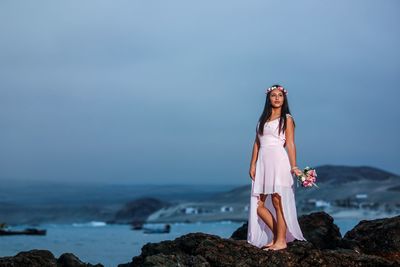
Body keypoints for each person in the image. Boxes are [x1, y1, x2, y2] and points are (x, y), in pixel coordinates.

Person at [247, 84, 307, 251]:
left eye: (280, 95)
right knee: (259, 205)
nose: (277, 98)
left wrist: (294, 165)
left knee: (277, 201)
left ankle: (280, 241)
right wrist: (252, 164)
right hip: (263, 163)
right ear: (269, 98)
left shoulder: (287, 119)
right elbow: (257, 143)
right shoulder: (262, 120)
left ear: (284, 98)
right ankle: (279, 236)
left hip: (278, 160)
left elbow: (291, 143)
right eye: (273, 95)